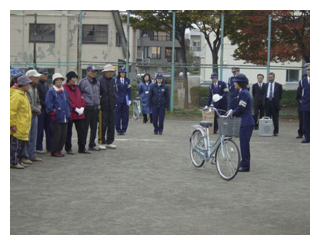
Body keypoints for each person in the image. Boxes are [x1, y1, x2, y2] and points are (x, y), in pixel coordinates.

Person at [229, 73, 255, 172]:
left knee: (244, 144)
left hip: (246, 122)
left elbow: (241, 108)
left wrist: (232, 113)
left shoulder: (244, 93)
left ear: (240, 83)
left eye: (236, 81)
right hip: (244, 122)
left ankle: (245, 165)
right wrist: (232, 110)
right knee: (243, 144)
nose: (234, 83)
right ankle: (244, 163)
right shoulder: (241, 92)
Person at [63, 71, 91, 154]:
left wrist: (82, 107)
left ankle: (82, 148)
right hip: (71, 113)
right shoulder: (64, 88)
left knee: (82, 131)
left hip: (79, 114)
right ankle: (68, 148)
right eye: (73, 78)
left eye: (75, 78)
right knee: (68, 132)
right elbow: (66, 100)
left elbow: (81, 98)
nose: (75, 80)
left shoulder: (77, 88)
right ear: (69, 79)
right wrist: (74, 108)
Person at [45, 73, 71, 157]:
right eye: (57, 80)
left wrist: (68, 112)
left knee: (64, 135)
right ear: (54, 81)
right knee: (57, 135)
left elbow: (68, 103)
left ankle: (59, 149)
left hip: (64, 117)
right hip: (56, 117)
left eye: (60, 79)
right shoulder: (51, 91)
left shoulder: (65, 91)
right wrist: (53, 112)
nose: (59, 81)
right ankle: (54, 150)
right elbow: (48, 103)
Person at [10, 76, 32, 169]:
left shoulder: (23, 94)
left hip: (23, 125)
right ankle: (13, 162)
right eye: (28, 84)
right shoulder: (17, 95)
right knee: (15, 146)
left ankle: (18, 160)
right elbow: (11, 111)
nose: (29, 85)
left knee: (20, 146)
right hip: (18, 126)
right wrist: (12, 124)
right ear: (22, 84)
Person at [22, 69, 43, 165]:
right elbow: (27, 103)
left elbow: (38, 101)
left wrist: (38, 108)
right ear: (30, 78)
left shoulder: (35, 87)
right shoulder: (27, 89)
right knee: (27, 136)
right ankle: (25, 155)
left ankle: (32, 154)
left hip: (35, 115)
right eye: (36, 77)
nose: (38, 78)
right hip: (28, 115)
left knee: (34, 135)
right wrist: (36, 109)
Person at [78, 66, 101, 151]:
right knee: (84, 127)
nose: (94, 73)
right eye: (92, 71)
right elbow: (78, 94)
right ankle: (82, 145)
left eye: (95, 72)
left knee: (94, 127)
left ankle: (92, 144)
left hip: (95, 107)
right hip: (87, 107)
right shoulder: (82, 82)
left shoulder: (97, 82)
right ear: (87, 72)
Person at [97, 64, 117, 150]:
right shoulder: (100, 81)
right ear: (105, 72)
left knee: (111, 124)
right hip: (103, 106)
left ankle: (110, 141)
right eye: (109, 71)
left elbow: (115, 92)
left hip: (111, 106)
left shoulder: (113, 81)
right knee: (102, 125)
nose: (111, 73)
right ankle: (101, 142)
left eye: (112, 72)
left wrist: (115, 101)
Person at [36, 68, 52, 153]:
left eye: (47, 74)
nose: (46, 76)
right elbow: (38, 98)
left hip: (47, 109)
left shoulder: (45, 85)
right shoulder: (37, 85)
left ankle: (50, 147)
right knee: (40, 129)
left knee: (49, 129)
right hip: (41, 109)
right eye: (44, 74)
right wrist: (45, 105)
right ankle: (39, 147)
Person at [265, 72, 283, 136]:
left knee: (275, 118)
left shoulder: (278, 86)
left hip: (274, 103)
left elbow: (280, 95)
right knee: (267, 118)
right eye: (269, 77)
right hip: (267, 102)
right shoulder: (265, 85)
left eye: (271, 77)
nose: (270, 79)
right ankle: (267, 131)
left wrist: (276, 100)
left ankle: (276, 131)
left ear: (274, 77)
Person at [115, 68, 132, 135]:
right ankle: (118, 129)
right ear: (119, 73)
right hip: (118, 100)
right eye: (121, 73)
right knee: (117, 116)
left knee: (125, 116)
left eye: (124, 73)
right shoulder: (116, 80)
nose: (123, 74)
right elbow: (114, 91)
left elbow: (129, 91)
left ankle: (124, 129)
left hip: (125, 99)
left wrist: (129, 99)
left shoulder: (128, 80)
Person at [297, 63, 310, 143]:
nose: (309, 72)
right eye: (308, 70)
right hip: (305, 104)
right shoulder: (302, 81)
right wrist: (301, 101)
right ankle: (307, 137)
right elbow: (299, 93)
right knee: (306, 122)